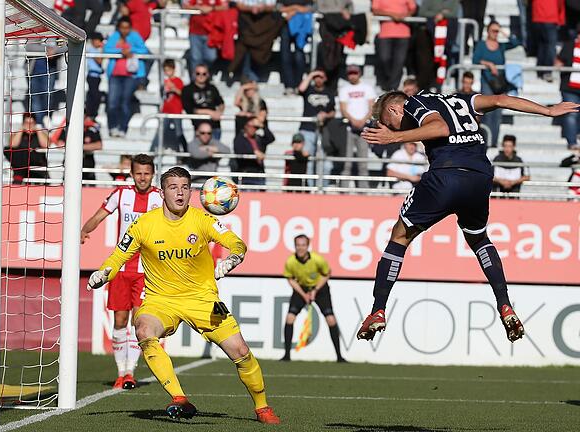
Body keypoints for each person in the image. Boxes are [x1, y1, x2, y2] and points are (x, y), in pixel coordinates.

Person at [357, 90, 579, 343]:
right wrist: (548, 111)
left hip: (446, 175)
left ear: (394, 110)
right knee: (479, 239)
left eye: (387, 123)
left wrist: (394, 137)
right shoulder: (461, 99)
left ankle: (378, 310)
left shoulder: (414, 103)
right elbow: (500, 100)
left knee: (399, 237)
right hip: (480, 178)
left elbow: (439, 128)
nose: (389, 126)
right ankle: (504, 304)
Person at [86, 166, 280, 424]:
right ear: (162, 192)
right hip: (161, 301)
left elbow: (236, 243)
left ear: (191, 192)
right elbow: (118, 256)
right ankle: (179, 398)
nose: (180, 193)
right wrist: (103, 273)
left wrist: (234, 258)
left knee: (240, 350)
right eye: (173, 187)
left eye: (185, 187)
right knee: (143, 330)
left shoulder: (202, 220)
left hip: (203, 300)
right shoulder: (144, 224)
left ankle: (262, 407)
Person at [80, 154, 162, 389]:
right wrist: (84, 230)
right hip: (121, 268)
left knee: (139, 322)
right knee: (119, 320)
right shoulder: (121, 194)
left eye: (147, 173)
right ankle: (120, 371)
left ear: (152, 174)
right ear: (132, 173)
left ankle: (130, 373)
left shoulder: (159, 198)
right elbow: (99, 215)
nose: (143, 177)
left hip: (147, 271)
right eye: (138, 173)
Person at [280, 234, 345, 362]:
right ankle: (286, 355)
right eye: (298, 245)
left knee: (331, 319)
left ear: (308, 246)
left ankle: (339, 356)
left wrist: (315, 290)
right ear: (295, 246)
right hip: (301, 289)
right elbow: (290, 279)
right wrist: (303, 294)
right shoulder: (290, 261)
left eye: (303, 245)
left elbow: (327, 274)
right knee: (289, 318)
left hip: (320, 289)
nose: (300, 248)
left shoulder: (317, 259)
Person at [473, 20, 520, 147]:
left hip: (499, 83)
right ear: (487, 31)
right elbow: (475, 59)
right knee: (487, 113)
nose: (495, 33)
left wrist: (504, 33)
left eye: (497, 31)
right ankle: (486, 141)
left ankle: (493, 142)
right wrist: (488, 64)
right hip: (487, 82)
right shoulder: (482, 45)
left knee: (498, 114)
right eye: (493, 30)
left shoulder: (501, 45)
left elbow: (516, 43)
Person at [104, 16, 149, 137]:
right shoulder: (115, 36)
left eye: (127, 28)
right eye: (122, 28)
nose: (124, 30)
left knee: (125, 102)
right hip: (115, 75)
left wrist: (130, 49)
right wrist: (120, 51)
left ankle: (123, 128)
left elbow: (144, 50)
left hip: (131, 76)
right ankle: (113, 127)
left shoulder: (134, 36)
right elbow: (106, 49)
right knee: (112, 103)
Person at [297, 69, 336, 185]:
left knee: (324, 163)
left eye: (321, 77)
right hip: (307, 129)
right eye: (316, 77)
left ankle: (322, 188)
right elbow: (301, 89)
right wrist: (311, 75)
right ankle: (310, 188)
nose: (319, 79)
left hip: (323, 131)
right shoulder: (309, 90)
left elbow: (333, 112)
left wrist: (326, 115)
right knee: (308, 161)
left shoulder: (329, 92)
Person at [339, 65, 375, 188]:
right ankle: (344, 190)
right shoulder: (344, 89)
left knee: (363, 162)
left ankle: (364, 190)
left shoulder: (367, 88)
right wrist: (353, 120)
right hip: (349, 127)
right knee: (347, 162)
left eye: (354, 73)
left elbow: (372, 107)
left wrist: (363, 120)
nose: (352, 75)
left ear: (359, 73)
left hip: (364, 128)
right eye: (350, 73)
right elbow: (343, 109)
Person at [372, 0, 417, 92]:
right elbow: (375, 10)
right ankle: (388, 81)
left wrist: (405, 15)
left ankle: (392, 87)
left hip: (404, 33)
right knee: (384, 58)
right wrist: (391, 15)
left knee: (399, 61)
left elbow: (413, 9)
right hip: (385, 33)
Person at [182, 64, 225, 141]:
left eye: (204, 74)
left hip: (214, 127)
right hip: (199, 129)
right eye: (198, 73)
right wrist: (209, 112)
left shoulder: (212, 88)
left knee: (216, 151)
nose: (201, 76)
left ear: (208, 75)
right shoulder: (187, 89)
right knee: (200, 152)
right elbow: (190, 109)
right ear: (194, 74)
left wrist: (219, 112)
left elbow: (221, 103)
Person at [182, 0, 226, 74]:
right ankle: (195, 81)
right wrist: (197, 7)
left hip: (211, 33)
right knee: (195, 58)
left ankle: (205, 77)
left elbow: (225, 6)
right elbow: (185, 5)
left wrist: (211, 8)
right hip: (195, 31)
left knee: (211, 57)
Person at [55, 114, 102, 182]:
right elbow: (60, 144)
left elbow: (99, 145)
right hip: (70, 167)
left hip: (87, 167)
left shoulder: (91, 129)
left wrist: (77, 147)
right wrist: (85, 147)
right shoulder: (68, 129)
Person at [151, 59, 185, 152]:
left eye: (169, 70)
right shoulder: (165, 82)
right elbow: (164, 97)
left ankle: (184, 152)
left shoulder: (178, 81)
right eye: (165, 70)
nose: (167, 72)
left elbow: (183, 93)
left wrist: (174, 88)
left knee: (179, 132)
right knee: (160, 131)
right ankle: (152, 152)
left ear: (174, 69)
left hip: (176, 110)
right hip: (166, 110)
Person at [279, 0, 313, 94]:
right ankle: (289, 85)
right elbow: (278, 7)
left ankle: (298, 84)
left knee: (299, 55)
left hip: (302, 24)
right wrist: (297, 8)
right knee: (285, 55)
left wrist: (294, 11)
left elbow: (311, 7)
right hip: (286, 23)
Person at [5, 113, 49, 184]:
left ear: (35, 123)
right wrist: (21, 130)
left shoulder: (40, 134)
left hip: (36, 163)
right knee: (12, 151)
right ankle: (19, 175)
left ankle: (18, 177)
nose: (29, 125)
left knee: (25, 154)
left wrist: (38, 130)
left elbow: (46, 145)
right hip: (22, 164)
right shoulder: (18, 134)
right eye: (27, 123)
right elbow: (12, 145)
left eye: (31, 123)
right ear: (23, 123)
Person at [555, 31, 580, 149]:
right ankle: (572, 142)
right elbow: (558, 62)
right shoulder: (569, 45)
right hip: (570, 88)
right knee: (571, 114)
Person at [531, 0, 565, 82]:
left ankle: (540, 70)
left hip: (538, 16)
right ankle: (547, 71)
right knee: (550, 46)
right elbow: (560, 2)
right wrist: (561, 18)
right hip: (550, 16)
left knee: (542, 45)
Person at [233, 116, 269, 187]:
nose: (254, 129)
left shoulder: (258, 138)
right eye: (252, 126)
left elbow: (270, 138)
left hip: (259, 173)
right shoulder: (240, 139)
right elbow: (239, 152)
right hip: (247, 175)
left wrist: (262, 126)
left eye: (256, 127)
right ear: (246, 126)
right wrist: (254, 153)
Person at [85, 32, 105, 119]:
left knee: (93, 94)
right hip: (92, 76)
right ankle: (91, 113)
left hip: (97, 76)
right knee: (94, 95)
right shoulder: (92, 50)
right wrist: (103, 48)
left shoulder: (96, 50)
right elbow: (99, 60)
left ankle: (91, 113)